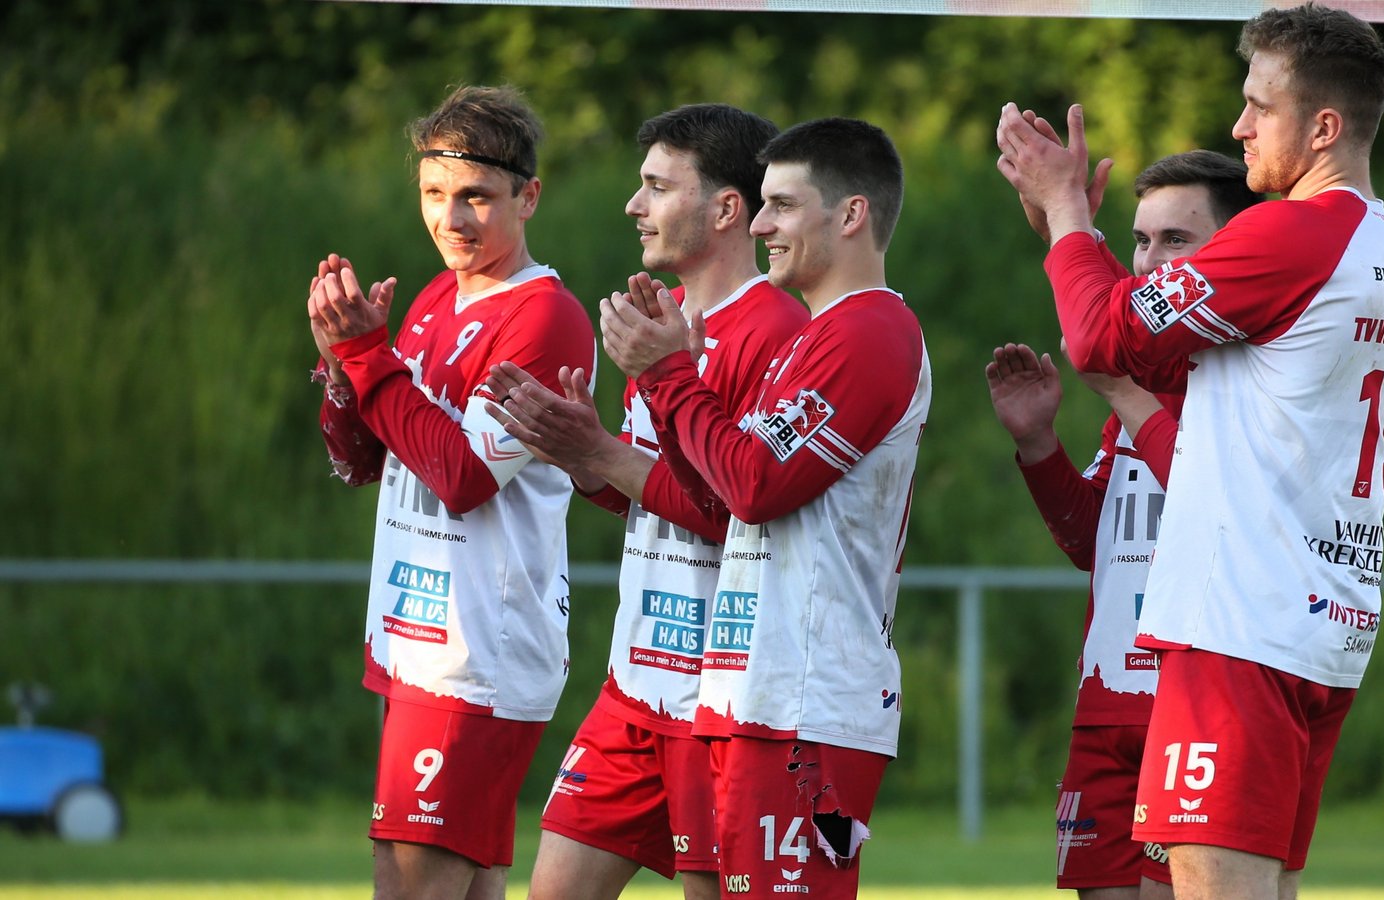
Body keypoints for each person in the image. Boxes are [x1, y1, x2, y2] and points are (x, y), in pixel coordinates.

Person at [996, 4, 1384, 898]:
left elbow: (1104, 342)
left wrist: (1070, 209)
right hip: (1316, 620)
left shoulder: (1294, 232)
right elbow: (1155, 347)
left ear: (1323, 127)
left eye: (1258, 106)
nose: (1239, 126)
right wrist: (1081, 254)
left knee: (1212, 883)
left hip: (1241, 625)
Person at [587, 117, 929, 900]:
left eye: (780, 205)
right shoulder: (818, 337)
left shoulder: (873, 330)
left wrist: (671, 374)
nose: (763, 224)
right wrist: (597, 445)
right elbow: (726, 486)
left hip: (808, 705)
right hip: (753, 695)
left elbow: (752, 486)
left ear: (849, 216)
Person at [486, 103, 808, 900]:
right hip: (635, 686)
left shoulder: (778, 330)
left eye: (658, 187)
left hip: (722, 696)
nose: (635, 206)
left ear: (727, 208)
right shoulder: (658, 325)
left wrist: (603, 454)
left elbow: (738, 508)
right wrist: (581, 451)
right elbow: (653, 492)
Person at [306, 84, 595, 900]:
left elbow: (464, 477)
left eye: (476, 197)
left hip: (477, 655)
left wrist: (371, 362)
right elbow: (367, 460)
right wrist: (341, 371)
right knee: (462, 886)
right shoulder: (435, 298)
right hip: (417, 640)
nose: (452, 219)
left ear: (528, 196)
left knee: (406, 882)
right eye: (435, 194)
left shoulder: (545, 317)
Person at [986, 151, 1262, 900]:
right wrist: (1039, 444)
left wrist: (1070, 233)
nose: (1149, 263)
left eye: (1177, 240)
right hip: (1107, 704)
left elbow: (1215, 500)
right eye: (1140, 241)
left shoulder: (1247, 374)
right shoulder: (1134, 387)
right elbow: (1093, 544)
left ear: (1239, 249)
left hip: (1197, 701)